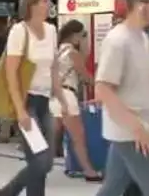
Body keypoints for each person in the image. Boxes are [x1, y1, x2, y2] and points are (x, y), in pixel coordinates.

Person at [94, 0, 149, 196]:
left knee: (113, 188)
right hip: (131, 132)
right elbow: (103, 88)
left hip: (133, 130)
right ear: (140, 5)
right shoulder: (118, 41)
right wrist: (136, 127)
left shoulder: (143, 39)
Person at [0, 0, 68, 196]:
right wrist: (20, 110)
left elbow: (53, 68)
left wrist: (61, 97)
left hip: (45, 101)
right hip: (27, 101)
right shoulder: (19, 31)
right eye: (45, 0)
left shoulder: (52, 30)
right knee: (42, 161)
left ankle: (7, 193)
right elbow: (11, 73)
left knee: (42, 163)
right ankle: (8, 192)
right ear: (32, 4)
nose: (49, 4)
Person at [49, 19, 102, 181]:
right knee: (78, 137)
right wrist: (104, 87)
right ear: (75, 36)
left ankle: (36, 166)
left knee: (52, 136)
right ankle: (89, 171)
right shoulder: (72, 52)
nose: (83, 38)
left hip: (54, 97)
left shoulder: (59, 51)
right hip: (67, 96)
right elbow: (86, 76)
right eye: (82, 35)